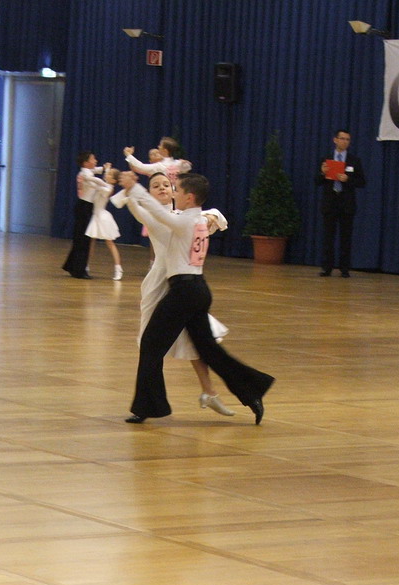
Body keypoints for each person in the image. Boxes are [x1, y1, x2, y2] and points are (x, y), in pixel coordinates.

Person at [126, 172, 274, 425]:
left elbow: (158, 214)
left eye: (176, 189)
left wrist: (134, 188)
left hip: (183, 291)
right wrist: (133, 194)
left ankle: (149, 406)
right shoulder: (197, 220)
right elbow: (155, 216)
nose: (173, 192)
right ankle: (252, 391)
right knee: (210, 350)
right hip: (197, 289)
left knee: (151, 345)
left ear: (189, 197)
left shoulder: (184, 221)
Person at [117, 170, 235, 416]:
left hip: (181, 287)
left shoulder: (186, 216)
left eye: (166, 184)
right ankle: (147, 404)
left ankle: (209, 392)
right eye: (155, 185)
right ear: (149, 193)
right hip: (159, 285)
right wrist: (129, 190)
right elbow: (138, 208)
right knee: (151, 346)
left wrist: (211, 216)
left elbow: (214, 216)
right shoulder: (154, 215)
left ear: (175, 192)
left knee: (193, 341)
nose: (162, 188)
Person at [316, 129, 366, 277]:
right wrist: (322, 173)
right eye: (342, 139)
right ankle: (327, 268)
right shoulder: (326, 159)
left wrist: (348, 179)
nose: (345, 142)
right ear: (335, 140)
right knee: (328, 237)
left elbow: (362, 182)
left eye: (347, 140)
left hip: (346, 204)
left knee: (346, 237)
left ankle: (344, 268)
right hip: (330, 203)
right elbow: (316, 181)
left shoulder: (354, 160)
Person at [62, 151, 110, 279]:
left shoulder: (86, 171)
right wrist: (105, 184)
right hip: (84, 208)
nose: (95, 161)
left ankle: (72, 266)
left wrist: (103, 169)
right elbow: (94, 179)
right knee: (83, 240)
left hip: (84, 207)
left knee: (81, 240)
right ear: (86, 162)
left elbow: (95, 171)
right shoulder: (86, 174)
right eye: (93, 159)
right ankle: (79, 270)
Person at [85, 167, 124, 280]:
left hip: (102, 217)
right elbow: (101, 182)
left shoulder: (108, 188)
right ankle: (86, 266)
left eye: (110, 175)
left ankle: (118, 269)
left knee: (110, 243)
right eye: (108, 174)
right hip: (96, 216)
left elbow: (97, 184)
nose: (107, 175)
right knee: (91, 242)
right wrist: (106, 170)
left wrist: (88, 177)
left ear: (114, 180)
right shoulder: (105, 185)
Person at [123, 136, 192, 186]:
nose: (158, 147)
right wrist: (184, 163)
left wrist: (128, 155)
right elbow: (188, 167)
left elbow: (140, 166)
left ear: (165, 150)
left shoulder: (159, 166)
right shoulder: (178, 163)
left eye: (160, 145)